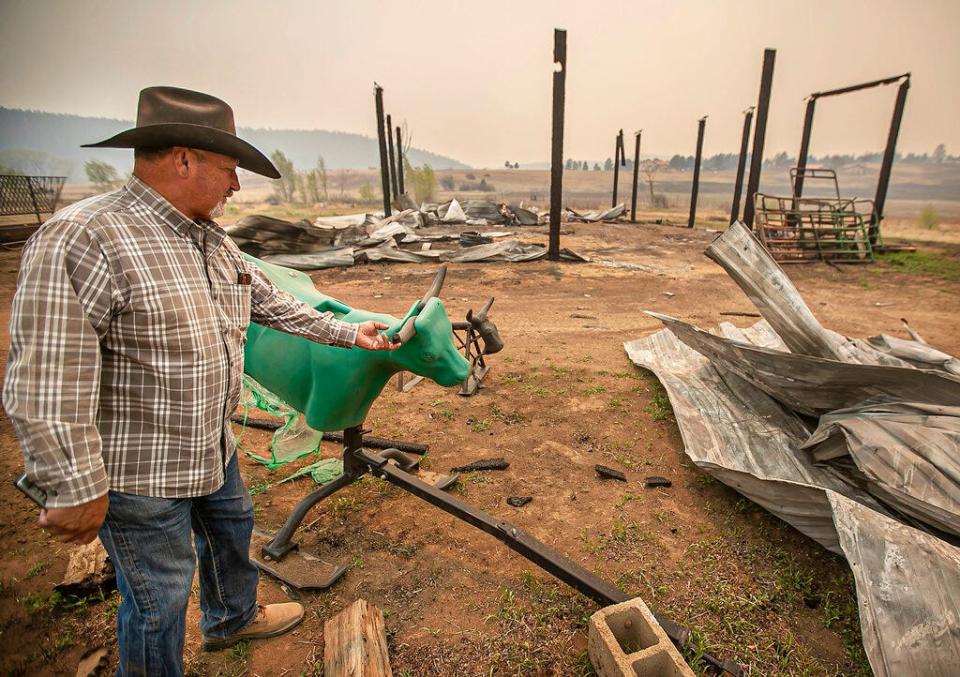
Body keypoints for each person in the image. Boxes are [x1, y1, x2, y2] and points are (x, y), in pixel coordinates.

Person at [2, 86, 399, 675]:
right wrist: (73, 484)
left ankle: (231, 619)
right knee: (159, 597)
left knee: (231, 532)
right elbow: (46, 376)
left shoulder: (209, 238)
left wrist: (350, 333)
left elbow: (272, 303)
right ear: (184, 159)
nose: (236, 186)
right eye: (230, 169)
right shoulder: (85, 238)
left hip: (211, 444)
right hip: (140, 471)